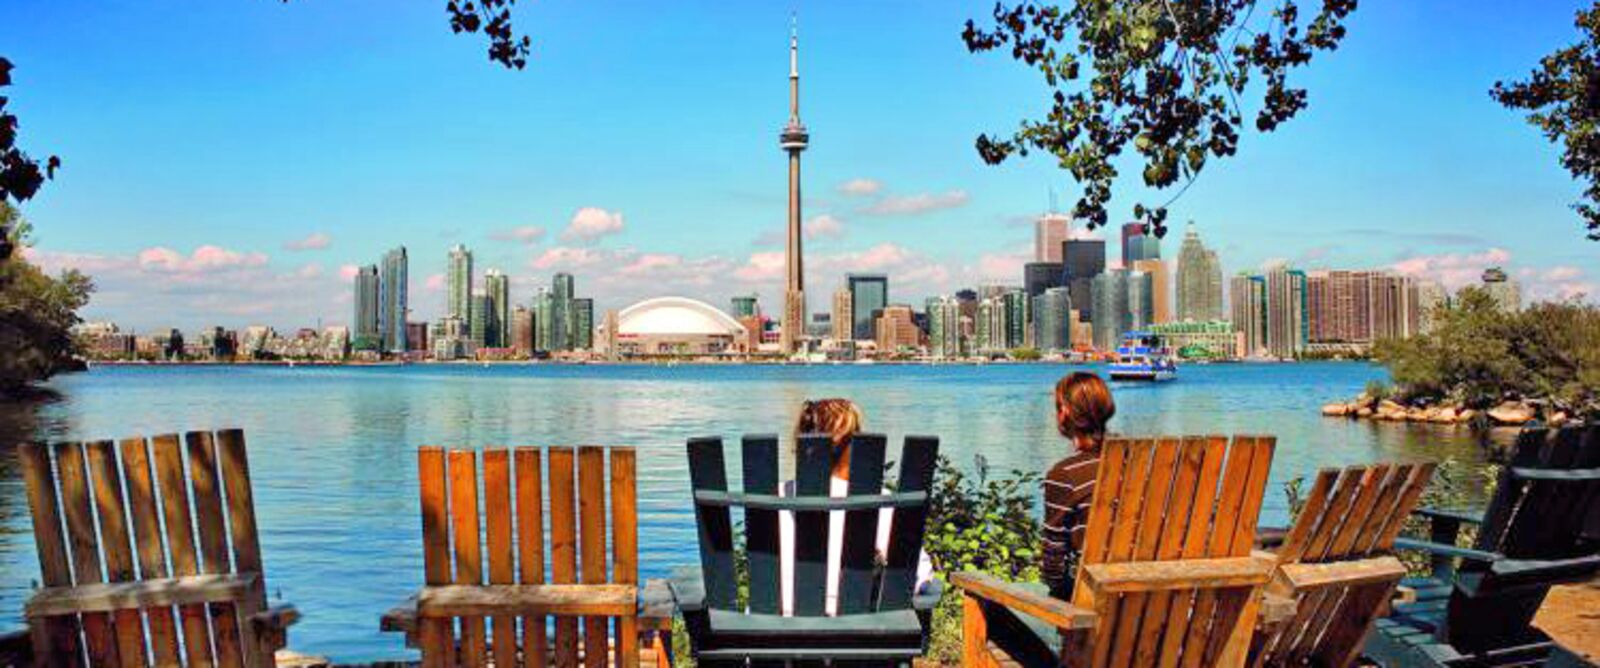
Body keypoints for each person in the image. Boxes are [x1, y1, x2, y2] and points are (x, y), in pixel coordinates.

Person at [777, 398, 931, 616]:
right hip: (850, 635)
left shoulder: (772, 495)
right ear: (854, 446)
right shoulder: (878, 501)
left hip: (766, 632)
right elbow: (917, 575)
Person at [1040, 372, 1116, 600]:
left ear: (1064, 413)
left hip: (1092, 611)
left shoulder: (1064, 475)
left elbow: (1053, 565)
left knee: (992, 609)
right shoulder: (1140, 461)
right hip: (1154, 609)